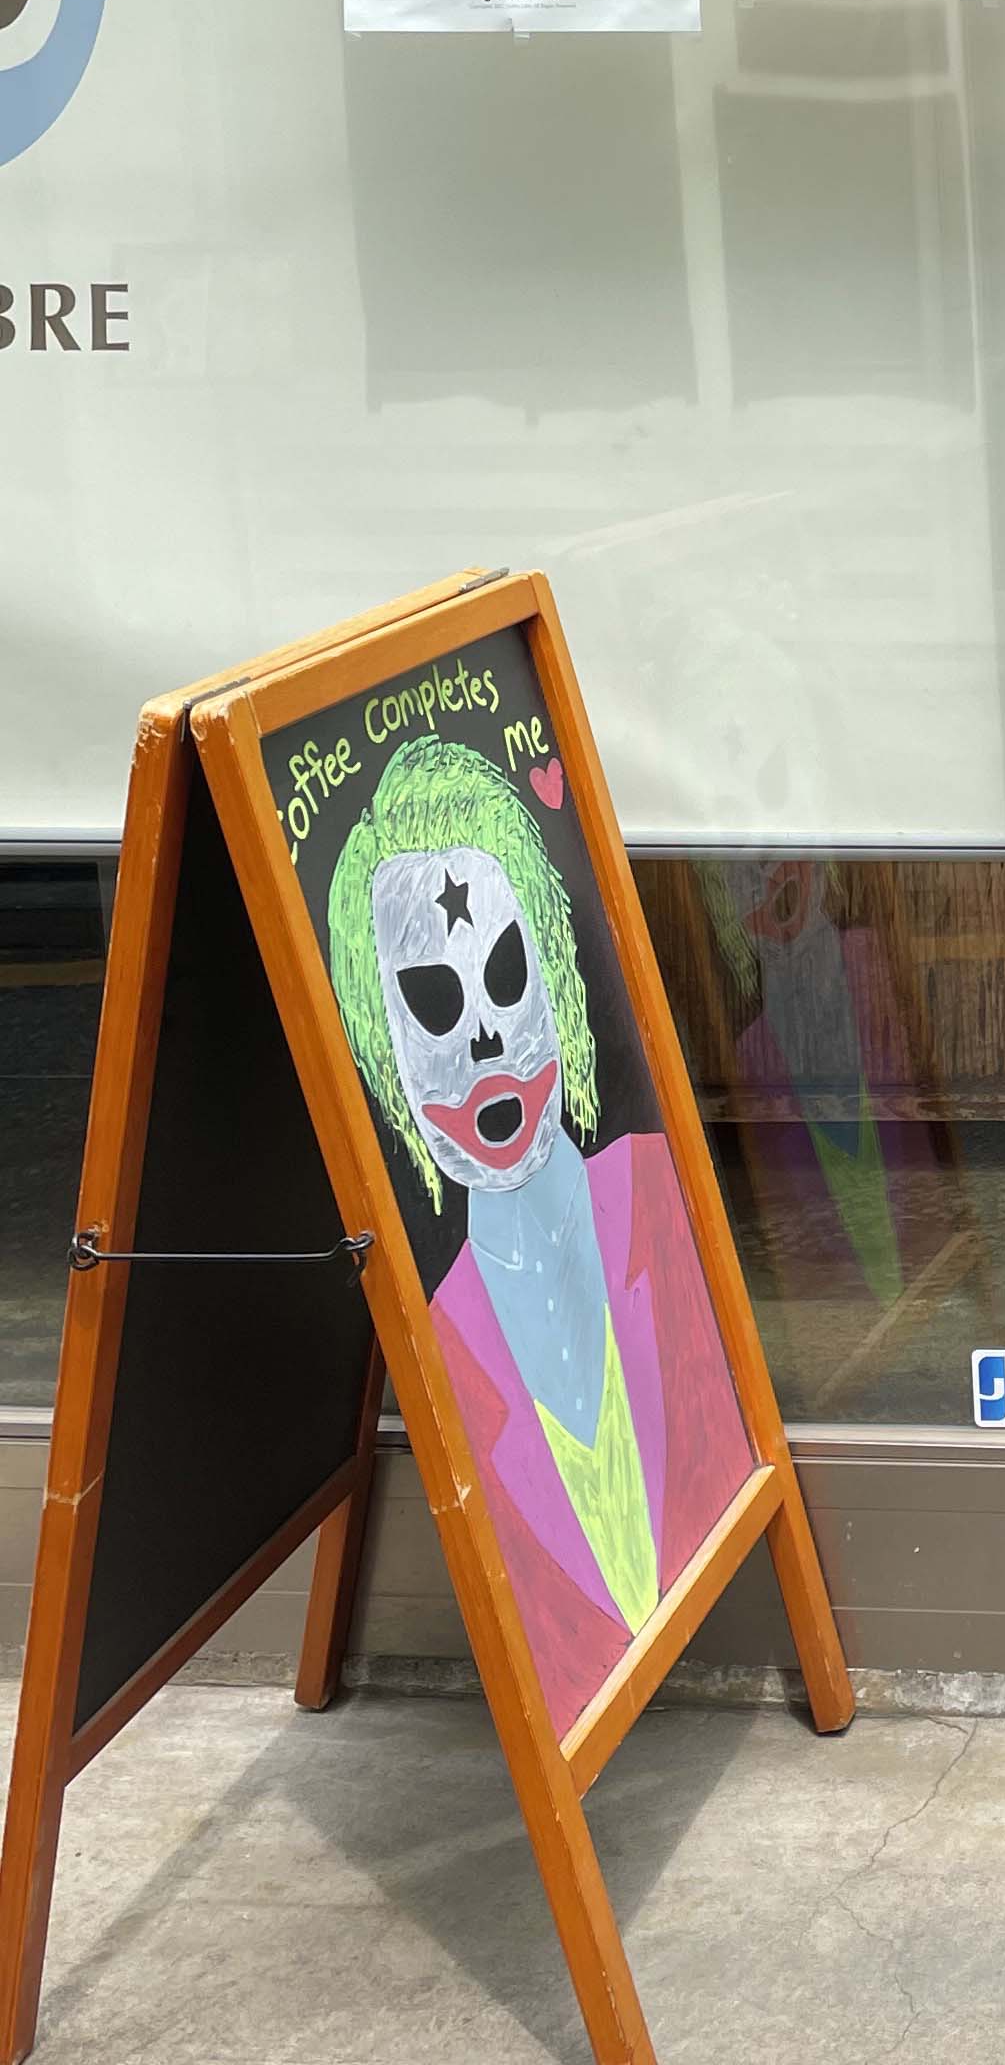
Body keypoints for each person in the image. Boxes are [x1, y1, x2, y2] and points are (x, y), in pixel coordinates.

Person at [327, 737, 752, 1729]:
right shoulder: (441, 1337)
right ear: (386, 1056)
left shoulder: (658, 1203)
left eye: (505, 972)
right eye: (433, 1003)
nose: (483, 1035)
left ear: (555, 973)